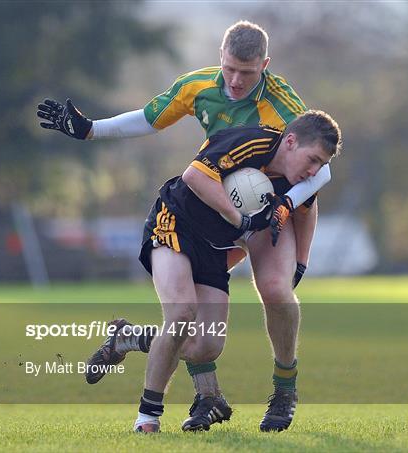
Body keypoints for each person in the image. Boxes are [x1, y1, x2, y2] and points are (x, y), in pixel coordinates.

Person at [36, 21, 333, 432]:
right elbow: (149, 119)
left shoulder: (284, 106)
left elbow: (320, 170)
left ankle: (284, 391)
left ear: (265, 66)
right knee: (193, 323)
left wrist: (286, 210)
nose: (235, 80)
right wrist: (90, 130)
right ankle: (202, 394)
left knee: (276, 291)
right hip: (213, 208)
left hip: (265, 209)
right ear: (220, 57)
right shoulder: (198, 86)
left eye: (247, 73)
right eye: (229, 68)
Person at [135, 110, 340, 432]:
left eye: (320, 165)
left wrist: (301, 261)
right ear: (290, 141)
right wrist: (239, 219)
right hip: (177, 222)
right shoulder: (248, 141)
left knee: (207, 345)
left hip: (216, 247)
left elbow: (306, 208)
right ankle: (147, 417)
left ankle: (284, 391)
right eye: (312, 159)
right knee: (181, 314)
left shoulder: (303, 176)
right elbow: (194, 177)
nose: (314, 170)